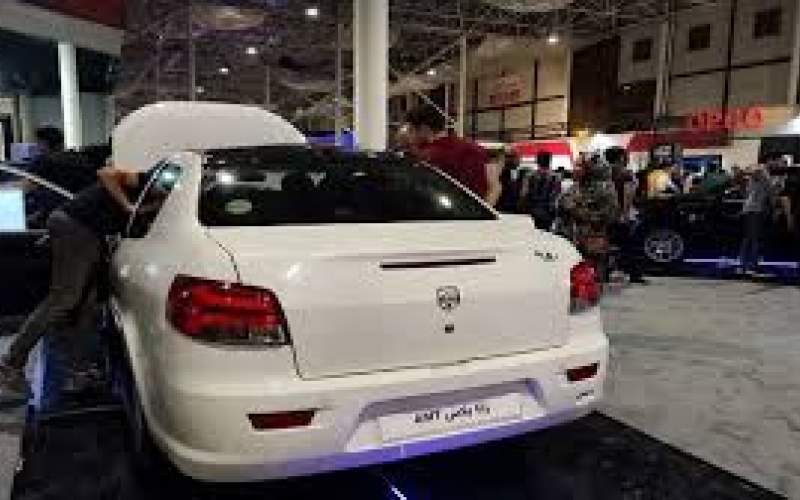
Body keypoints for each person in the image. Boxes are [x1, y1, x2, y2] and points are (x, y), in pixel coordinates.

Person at [0, 164, 158, 402]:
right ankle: (10, 364)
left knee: (85, 304)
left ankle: (77, 373)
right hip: (78, 227)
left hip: (83, 230)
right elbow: (105, 172)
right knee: (64, 298)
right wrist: (127, 205)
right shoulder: (150, 181)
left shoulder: (160, 202)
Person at [403, 107, 495, 203]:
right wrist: (482, 210)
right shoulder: (476, 148)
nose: (409, 136)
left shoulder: (426, 156)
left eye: (411, 130)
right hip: (473, 209)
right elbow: (495, 187)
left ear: (424, 129)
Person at [607, 147, 647, 284]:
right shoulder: (626, 174)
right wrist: (624, 214)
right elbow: (628, 194)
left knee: (608, 244)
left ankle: (606, 271)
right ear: (621, 158)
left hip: (606, 213)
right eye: (626, 156)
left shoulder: (604, 173)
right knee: (629, 245)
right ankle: (634, 274)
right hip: (622, 214)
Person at [738, 165, 774, 276]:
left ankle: (744, 265)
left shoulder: (752, 181)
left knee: (748, 238)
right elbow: (770, 194)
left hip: (748, 210)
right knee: (754, 239)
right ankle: (752, 266)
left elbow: (746, 194)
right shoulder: (764, 179)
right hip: (755, 211)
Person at [519, 151, 561, 230]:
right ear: (550, 161)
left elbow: (524, 194)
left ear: (537, 161)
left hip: (531, 213)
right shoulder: (555, 177)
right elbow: (555, 197)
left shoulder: (529, 176)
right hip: (547, 214)